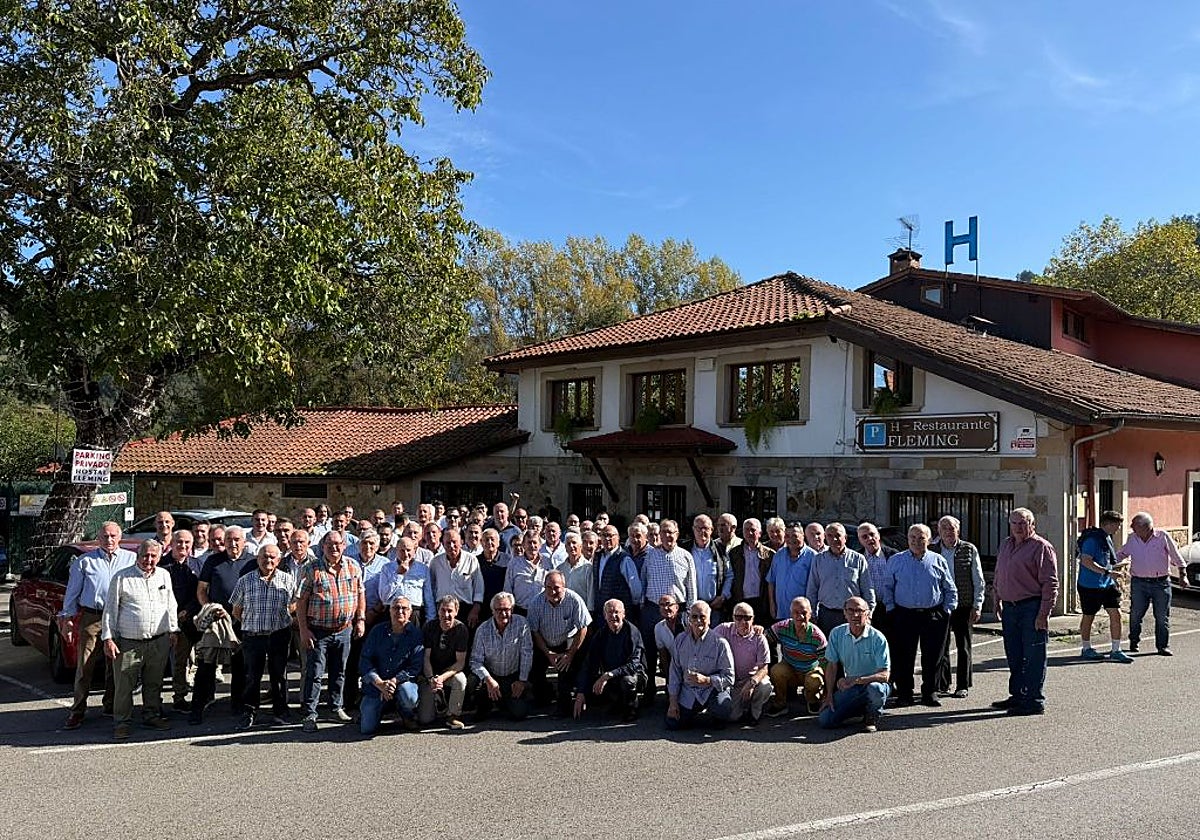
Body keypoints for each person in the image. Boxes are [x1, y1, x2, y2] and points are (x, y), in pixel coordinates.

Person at [60, 521, 137, 729]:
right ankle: (77, 710)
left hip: (120, 617)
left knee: (116, 665)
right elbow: (72, 593)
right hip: (92, 617)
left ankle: (111, 705)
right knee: (85, 665)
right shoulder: (85, 562)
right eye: (105, 536)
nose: (109, 540)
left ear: (120, 537)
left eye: (113, 536)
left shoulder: (131, 559)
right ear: (98, 538)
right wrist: (67, 619)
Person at [101, 540, 178, 739]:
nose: (149, 560)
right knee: (124, 686)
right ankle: (122, 722)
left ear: (159, 557)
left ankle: (151, 715)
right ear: (138, 555)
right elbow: (110, 610)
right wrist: (108, 638)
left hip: (158, 640)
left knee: (154, 682)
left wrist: (173, 630)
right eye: (145, 555)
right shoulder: (122, 577)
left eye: (153, 556)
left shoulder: (164, 575)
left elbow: (170, 604)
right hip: (128, 643)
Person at [296, 530, 366, 732]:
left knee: (340, 672)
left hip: (344, 630)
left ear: (344, 546)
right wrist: (303, 630)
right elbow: (301, 601)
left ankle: (336, 707)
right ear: (323, 547)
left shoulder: (353, 566)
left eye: (338, 544)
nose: (334, 547)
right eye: (329, 544)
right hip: (318, 631)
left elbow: (360, 594)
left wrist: (360, 619)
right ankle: (310, 714)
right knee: (315, 674)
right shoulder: (311, 569)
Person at [881, 524, 957, 707]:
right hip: (904, 614)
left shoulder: (938, 560)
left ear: (929, 540)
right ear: (907, 539)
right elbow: (887, 587)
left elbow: (950, 588)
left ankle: (929, 692)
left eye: (921, 537)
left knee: (933, 656)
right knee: (903, 656)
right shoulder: (896, 560)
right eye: (912, 537)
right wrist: (891, 609)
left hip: (933, 615)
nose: (916, 541)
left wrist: (947, 610)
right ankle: (905, 693)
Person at [992, 508, 1059, 716]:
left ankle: (1033, 700)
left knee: (1033, 656)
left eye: (1023, 523)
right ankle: (1018, 696)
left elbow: (1050, 583)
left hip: (1031, 607)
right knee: (1014, 655)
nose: (1018, 527)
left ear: (1032, 524)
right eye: (1014, 523)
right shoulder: (1006, 544)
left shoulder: (1041, 547)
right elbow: (999, 572)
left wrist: (1043, 614)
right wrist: (996, 598)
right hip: (1009, 608)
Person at [230, 543, 296, 729]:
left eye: (272, 557)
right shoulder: (245, 580)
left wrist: (282, 617)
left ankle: (280, 711)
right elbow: (236, 610)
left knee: (279, 675)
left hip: (279, 635)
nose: (268, 560)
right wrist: (252, 623)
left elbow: (294, 605)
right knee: (252, 676)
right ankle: (249, 711)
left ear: (279, 560)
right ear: (257, 559)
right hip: (253, 636)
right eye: (264, 557)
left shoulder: (288, 580)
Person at [191, 525, 251, 723]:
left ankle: (238, 706)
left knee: (240, 667)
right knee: (206, 666)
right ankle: (198, 707)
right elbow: (201, 589)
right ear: (224, 542)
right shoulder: (213, 561)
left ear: (244, 542)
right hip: (217, 622)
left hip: (242, 622)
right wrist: (209, 608)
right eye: (229, 540)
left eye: (237, 540)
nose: (233, 543)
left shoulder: (252, 562)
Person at [1119, 511, 1189, 655]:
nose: (1131, 527)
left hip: (1161, 583)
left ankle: (1162, 646)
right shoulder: (1132, 538)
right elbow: (1122, 554)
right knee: (1136, 614)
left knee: (1162, 617)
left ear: (1145, 527)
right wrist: (1106, 562)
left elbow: (1176, 556)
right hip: (1139, 583)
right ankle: (1134, 641)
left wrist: (1183, 575)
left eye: (1134, 525)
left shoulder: (1162, 537)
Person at [932, 515, 987, 696]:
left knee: (963, 647)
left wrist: (977, 605)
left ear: (958, 530)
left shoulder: (969, 549)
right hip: (940, 605)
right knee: (941, 646)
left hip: (963, 604)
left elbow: (978, 579)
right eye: (944, 528)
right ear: (939, 531)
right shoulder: (932, 550)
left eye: (952, 528)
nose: (948, 532)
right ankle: (943, 684)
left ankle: (962, 685)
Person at [818, 597, 890, 733]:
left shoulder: (878, 638)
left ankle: (872, 716)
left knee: (875, 689)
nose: (855, 615)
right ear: (844, 613)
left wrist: (857, 680)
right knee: (825, 720)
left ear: (867, 613)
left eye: (860, 611)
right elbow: (831, 666)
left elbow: (885, 675)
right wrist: (829, 695)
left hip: (873, 684)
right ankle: (858, 709)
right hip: (852, 687)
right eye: (850, 610)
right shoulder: (836, 634)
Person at [527, 571, 591, 716]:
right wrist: (548, 653)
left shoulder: (574, 599)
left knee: (565, 672)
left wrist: (570, 654)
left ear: (564, 586)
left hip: (567, 642)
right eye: (548, 588)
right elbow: (534, 631)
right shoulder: (536, 603)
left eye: (556, 587)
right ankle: (545, 696)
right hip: (544, 643)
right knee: (534, 670)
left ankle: (564, 705)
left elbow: (583, 628)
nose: (552, 592)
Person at [358, 596, 423, 736]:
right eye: (396, 608)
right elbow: (365, 660)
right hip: (377, 685)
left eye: (404, 608)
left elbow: (415, 667)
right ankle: (381, 709)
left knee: (409, 698)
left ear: (410, 612)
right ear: (389, 611)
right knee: (367, 729)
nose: (400, 611)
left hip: (401, 684)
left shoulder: (416, 634)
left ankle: (406, 713)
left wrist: (394, 680)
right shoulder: (377, 631)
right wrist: (379, 683)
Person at [573, 599, 646, 722]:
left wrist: (608, 675)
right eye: (610, 612)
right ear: (604, 616)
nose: (613, 616)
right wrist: (580, 692)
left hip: (634, 675)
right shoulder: (601, 635)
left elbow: (634, 664)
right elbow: (589, 663)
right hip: (610, 676)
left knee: (627, 681)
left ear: (624, 614)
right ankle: (617, 701)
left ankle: (631, 709)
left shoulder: (632, 632)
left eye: (617, 612)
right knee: (591, 688)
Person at [665, 601, 734, 731]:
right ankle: (690, 713)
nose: (698, 621)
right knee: (672, 723)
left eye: (702, 617)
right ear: (689, 619)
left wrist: (707, 680)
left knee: (722, 708)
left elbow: (729, 678)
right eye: (694, 616)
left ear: (709, 620)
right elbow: (674, 673)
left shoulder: (720, 643)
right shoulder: (680, 640)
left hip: (711, 690)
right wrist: (673, 703)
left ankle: (717, 716)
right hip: (689, 691)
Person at [1076, 511, 1133, 663]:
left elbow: (1106, 561)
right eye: (1117, 525)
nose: (1118, 528)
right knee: (1089, 616)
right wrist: (1107, 572)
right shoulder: (1092, 540)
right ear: (1107, 524)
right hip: (1089, 585)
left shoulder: (1106, 538)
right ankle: (1086, 648)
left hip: (1107, 584)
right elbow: (1086, 561)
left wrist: (1114, 572)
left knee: (1116, 614)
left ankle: (1116, 650)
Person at [469, 592, 533, 722]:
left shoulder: (522, 624)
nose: (503, 613)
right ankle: (484, 704)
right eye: (498, 610)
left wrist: (522, 680)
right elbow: (475, 661)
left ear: (512, 609)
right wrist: (488, 679)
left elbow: (527, 653)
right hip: (491, 676)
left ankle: (505, 702)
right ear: (492, 611)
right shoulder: (482, 630)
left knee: (519, 713)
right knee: (473, 680)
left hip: (512, 676)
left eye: (506, 609)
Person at [806, 522, 873, 637]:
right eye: (830, 536)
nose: (834, 539)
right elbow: (812, 588)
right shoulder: (818, 559)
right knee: (827, 647)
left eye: (838, 535)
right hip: (826, 615)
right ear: (825, 538)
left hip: (853, 615)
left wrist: (868, 614)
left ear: (845, 537)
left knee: (851, 646)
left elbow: (867, 589)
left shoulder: (858, 559)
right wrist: (811, 614)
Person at [159, 530, 201, 712]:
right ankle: (154, 701)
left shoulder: (197, 564)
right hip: (163, 621)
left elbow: (201, 591)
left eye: (187, 542)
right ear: (172, 543)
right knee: (158, 663)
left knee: (181, 662)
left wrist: (188, 611)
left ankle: (179, 697)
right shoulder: (161, 565)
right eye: (179, 542)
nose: (183, 546)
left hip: (188, 621)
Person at [766, 596, 827, 717]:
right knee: (776, 671)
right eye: (796, 612)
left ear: (810, 614)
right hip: (790, 668)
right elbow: (764, 639)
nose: (800, 616)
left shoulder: (818, 636)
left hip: (810, 669)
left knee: (815, 680)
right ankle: (780, 703)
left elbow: (826, 664)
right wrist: (757, 630)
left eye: (804, 613)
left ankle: (813, 700)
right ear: (791, 614)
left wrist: (827, 693)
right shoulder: (781, 627)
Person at [713, 602, 772, 725]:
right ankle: (743, 708)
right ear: (733, 617)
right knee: (732, 717)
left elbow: (764, 668)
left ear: (753, 619)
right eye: (738, 617)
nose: (742, 621)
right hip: (732, 682)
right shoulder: (723, 629)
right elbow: (707, 638)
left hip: (751, 679)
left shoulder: (759, 638)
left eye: (747, 618)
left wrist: (752, 683)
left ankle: (754, 713)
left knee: (765, 686)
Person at [418, 595, 469, 729]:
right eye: (443, 610)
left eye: (450, 611)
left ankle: (453, 716)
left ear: (456, 611)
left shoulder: (461, 629)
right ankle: (437, 701)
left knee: (460, 680)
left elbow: (460, 663)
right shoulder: (429, 627)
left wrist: (441, 678)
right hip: (429, 673)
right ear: (438, 610)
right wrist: (431, 678)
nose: (446, 615)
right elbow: (426, 658)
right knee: (425, 719)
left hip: (449, 672)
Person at [429, 527, 484, 629]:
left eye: (454, 542)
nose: (451, 546)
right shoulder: (435, 562)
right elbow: (431, 587)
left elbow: (478, 588)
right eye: (448, 543)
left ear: (461, 542)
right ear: (443, 544)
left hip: (465, 610)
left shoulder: (471, 560)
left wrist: (475, 610)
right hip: (442, 609)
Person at [373, 537, 434, 625]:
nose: (405, 554)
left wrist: (430, 619)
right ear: (396, 551)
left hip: (414, 611)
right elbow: (384, 596)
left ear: (414, 550)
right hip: (393, 610)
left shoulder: (423, 568)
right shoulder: (387, 568)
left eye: (408, 550)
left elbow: (428, 597)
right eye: (402, 550)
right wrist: (398, 575)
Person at [593, 524, 642, 623]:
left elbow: (636, 589)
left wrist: (631, 607)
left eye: (611, 535)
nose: (607, 538)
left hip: (618, 614)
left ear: (618, 538)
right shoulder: (598, 557)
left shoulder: (624, 559)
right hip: (602, 613)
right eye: (604, 535)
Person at [766, 523, 814, 622]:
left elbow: (816, 587)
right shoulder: (778, 555)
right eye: (787, 536)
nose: (791, 539)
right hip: (781, 611)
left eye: (795, 536)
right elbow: (771, 581)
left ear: (803, 536)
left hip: (802, 614)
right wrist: (772, 605)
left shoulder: (813, 557)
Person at [857, 522, 896, 638]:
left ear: (878, 535)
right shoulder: (857, 558)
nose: (870, 539)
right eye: (865, 537)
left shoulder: (893, 555)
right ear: (860, 540)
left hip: (891, 608)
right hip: (867, 609)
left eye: (872, 534)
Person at [729, 517, 771, 624]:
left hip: (761, 600)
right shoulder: (734, 553)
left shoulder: (769, 554)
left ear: (760, 533)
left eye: (753, 530)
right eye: (746, 530)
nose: (749, 533)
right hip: (740, 599)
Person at [503, 530, 547, 614]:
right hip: (520, 611)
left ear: (540, 545)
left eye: (535, 542)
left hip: (543, 610)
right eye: (529, 543)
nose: (532, 546)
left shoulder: (547, 562)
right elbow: (508, 589)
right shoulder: (514, 564)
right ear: (523, 545)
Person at [560, 531, 594, 610]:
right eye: (568, 544)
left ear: (580, 546)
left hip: (582, 610)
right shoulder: (560, 569)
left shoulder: (588, 567)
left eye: (574, 543)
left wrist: (590, 611)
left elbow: (591, 593)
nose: (571, 546)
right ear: (565, 547)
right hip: (564, 610)